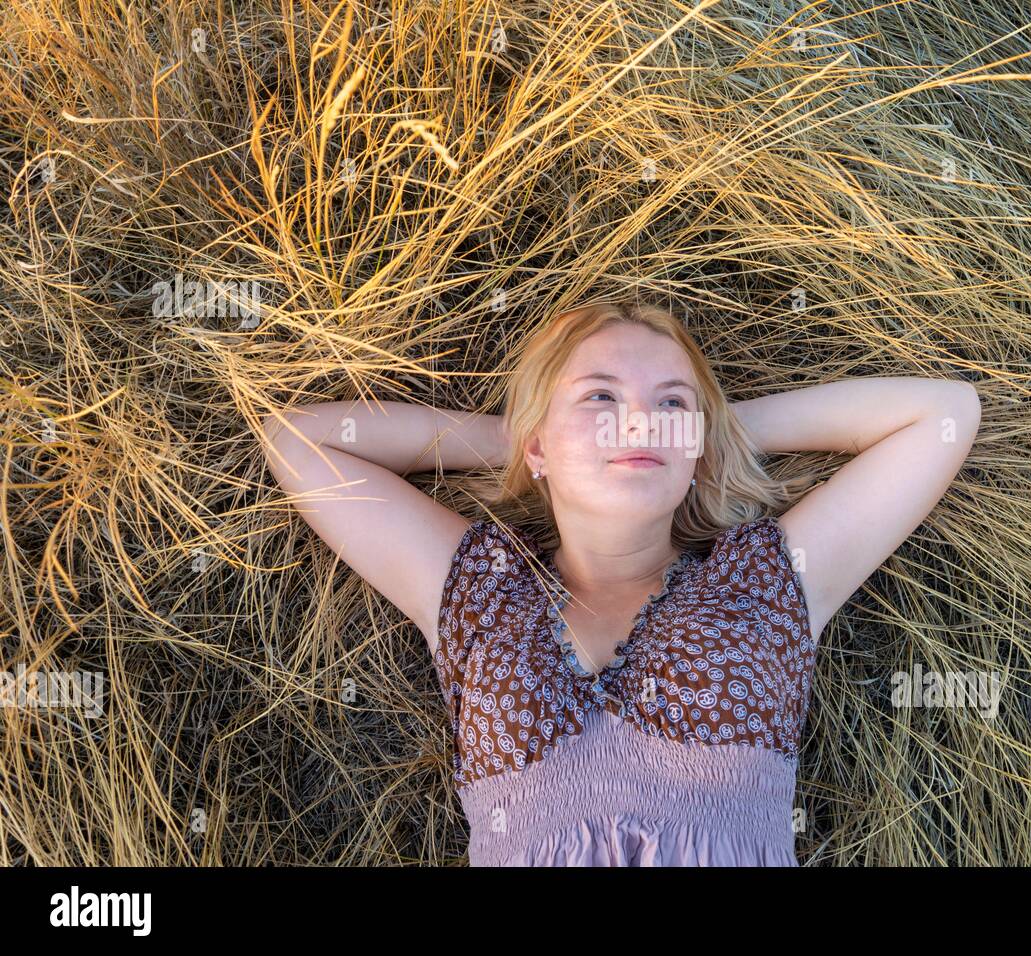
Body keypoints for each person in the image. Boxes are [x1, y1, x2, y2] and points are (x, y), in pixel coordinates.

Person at [258, 298, 980, 865]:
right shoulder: (478, 587)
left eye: (670, 404)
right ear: (539, 440)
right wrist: (525, 440)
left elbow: (942, 414)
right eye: (601, 399)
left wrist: (711, 432)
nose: (639, 423)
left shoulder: (766, 584)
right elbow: (297, 438)